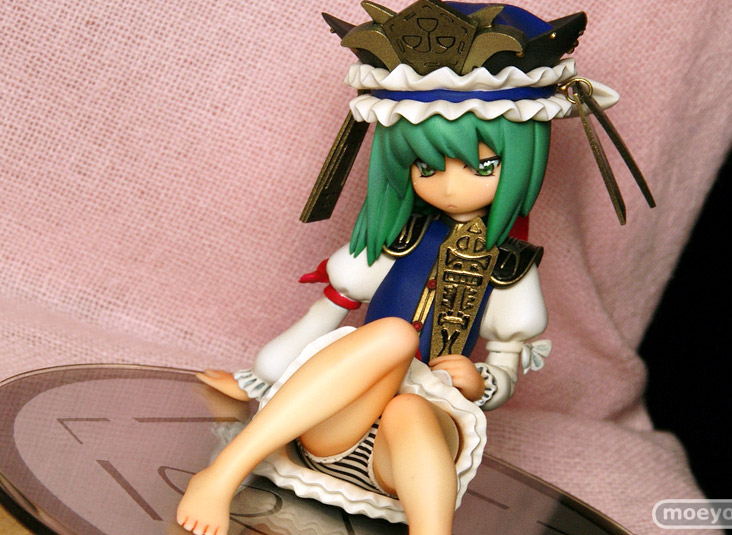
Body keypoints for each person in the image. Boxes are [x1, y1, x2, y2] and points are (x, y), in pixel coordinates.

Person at [177, 2, 634, 534]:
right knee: (393, 335)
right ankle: (222, 475)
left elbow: (505, 368)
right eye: (428, 167)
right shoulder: (402, 236)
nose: (452, 186)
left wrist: (481, 382)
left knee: (409, 410)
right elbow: (329, 312)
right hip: (337, 420)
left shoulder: (511, 266)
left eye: (483, 166)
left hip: (409, 458)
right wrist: (260, 382)